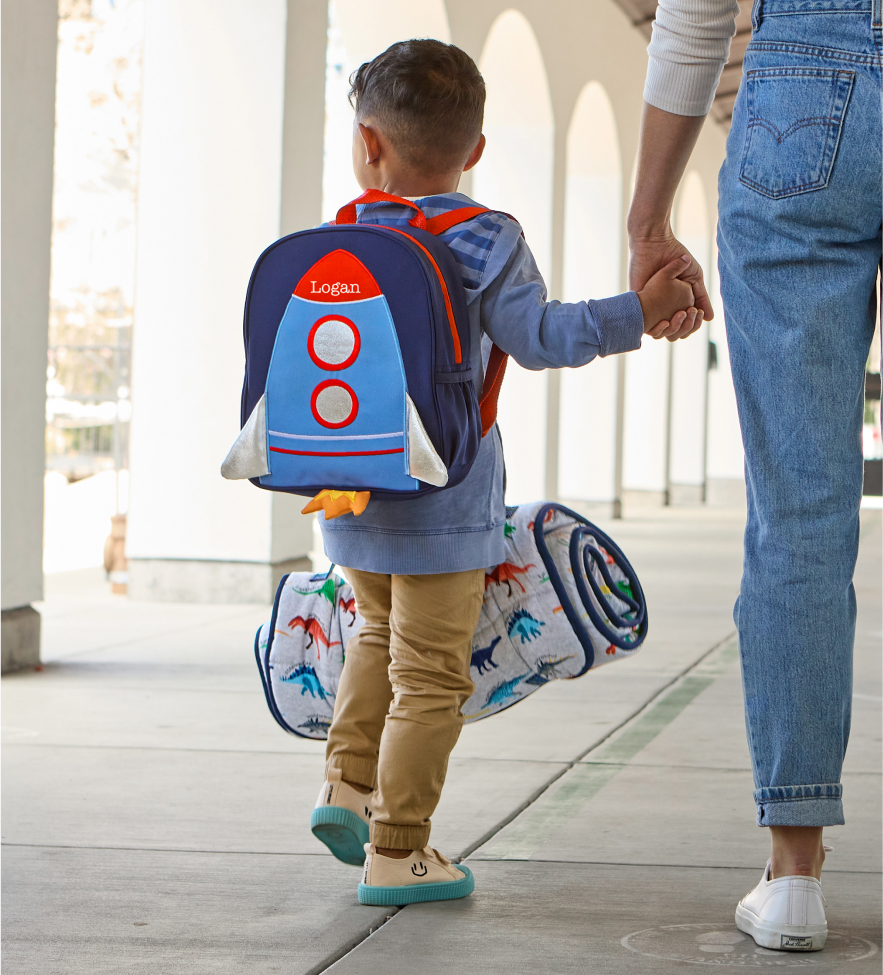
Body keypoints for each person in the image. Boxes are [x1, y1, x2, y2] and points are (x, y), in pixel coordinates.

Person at [309, 38, 697, 906]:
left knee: (375, 636)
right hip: (445, 499)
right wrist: (642, 310)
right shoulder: (487, 238)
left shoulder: (339, 233)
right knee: (434, 675)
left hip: (348, 489)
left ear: (368, 144)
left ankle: (345, 783)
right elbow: (543, 338)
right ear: (475, 150)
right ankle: (399, 849)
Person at [628, 0, 881, 952]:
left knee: (799, 512)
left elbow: (694, 19)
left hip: (799, 93)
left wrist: (649, 218)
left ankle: (792, 877)